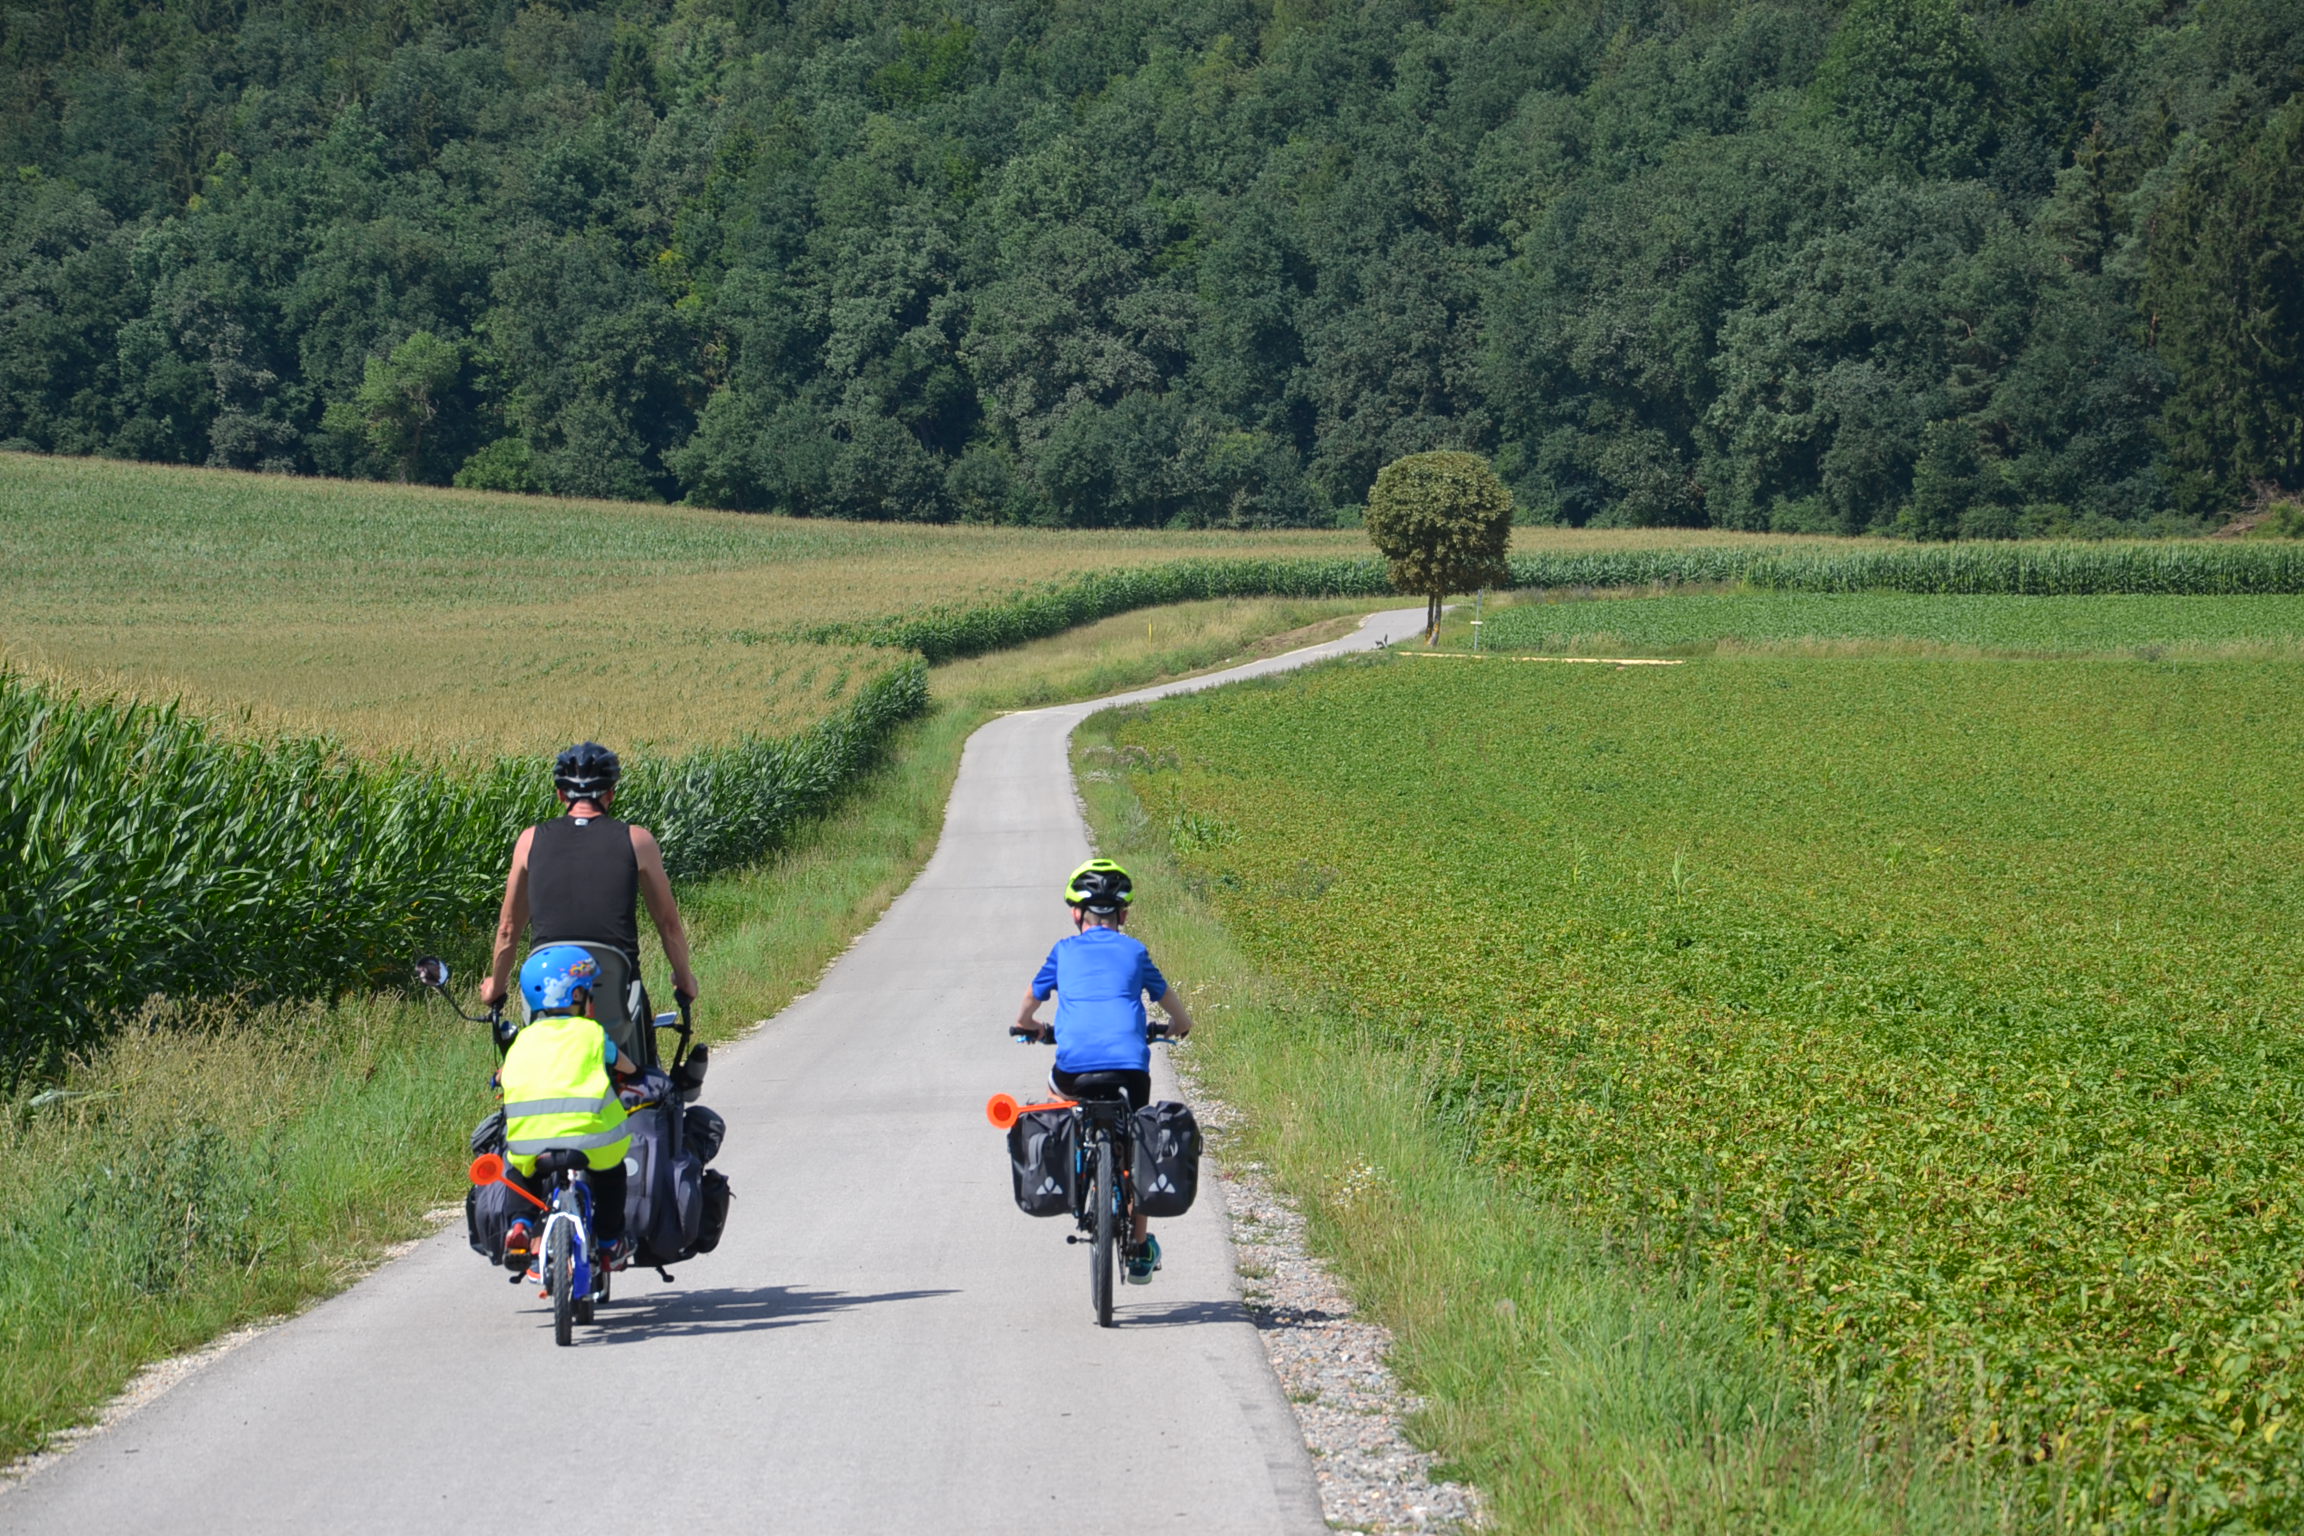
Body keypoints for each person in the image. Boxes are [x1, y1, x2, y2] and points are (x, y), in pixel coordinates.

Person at [1012, 858, 1196, 1285]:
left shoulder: (1063, 951)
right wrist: (1179, 1026)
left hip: (1074, 1068)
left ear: (1077, 914)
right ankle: (1140, 1246)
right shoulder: (1135, 951)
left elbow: (1029, 1002)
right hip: (1130, 1070)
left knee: (1057, 1097)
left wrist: (1029, 1027)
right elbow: (1170, 1003)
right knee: (1138, 1139)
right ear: (1123, 915)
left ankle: (1071, 1165)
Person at [481, 741, 701, 1070]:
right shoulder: (637, 841)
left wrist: (494, 988)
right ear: (611, 793)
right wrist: (685, 981)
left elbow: (508, 929)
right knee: (651, 1081)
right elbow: (668, 925)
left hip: (547, 1006)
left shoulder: (529, 841)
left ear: (561, 795)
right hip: (618, 1004)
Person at [498, 944, 637, 1272]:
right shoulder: (592, 1033)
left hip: (530, 1141)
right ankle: (609, 1242)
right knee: (612, 1175)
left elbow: (502, 1076)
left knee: (521, 1172)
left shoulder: (523, 1040)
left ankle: (520, 1224)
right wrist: (636, 1072)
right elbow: (624, 1065)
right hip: (592, 1140)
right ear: (577, 995)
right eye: (589, 992)